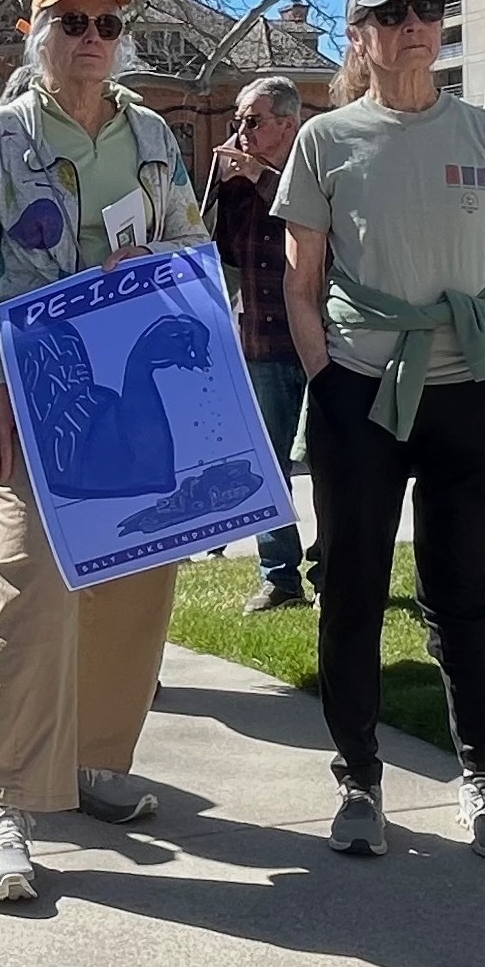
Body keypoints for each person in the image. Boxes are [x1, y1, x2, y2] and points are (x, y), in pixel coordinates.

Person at [0, 0, 210, 903]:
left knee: (138, 576)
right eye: (71, 22)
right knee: (31, 592)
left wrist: (160, 261)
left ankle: (97, 759)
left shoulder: (150, 135)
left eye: (106, 22)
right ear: (37, 33)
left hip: (131, 390)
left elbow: (190, 240)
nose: (91, 36)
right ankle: (6, 803)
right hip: (36, 394)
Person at [275, 0, 485, 861]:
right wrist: (325, 376)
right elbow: (300, 281)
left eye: (428, 7)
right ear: (360, 35)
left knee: (468, 589)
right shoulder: (325, 141)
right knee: (350, 586)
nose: (414, 23)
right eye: (390, 13)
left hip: (475, 386)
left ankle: (482, 775)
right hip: (362, 388)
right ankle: (358, 779)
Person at [209, 74, 314, 611]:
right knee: (267, 465)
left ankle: (332, 567)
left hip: (318, 341)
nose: (240, 132)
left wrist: (264, 177)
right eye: (238, 122)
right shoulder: (239, 186)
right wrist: (227, 187)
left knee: (333, 462)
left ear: (287, 125)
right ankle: (280, 575)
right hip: (260, 341)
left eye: (251, 121)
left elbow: (314, 223)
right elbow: (218, 249)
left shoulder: (317, 168)